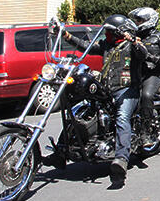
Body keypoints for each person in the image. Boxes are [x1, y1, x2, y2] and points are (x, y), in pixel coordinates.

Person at [60, 14, 144, 180]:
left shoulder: (132, 46)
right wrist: (66, 36)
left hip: (127, 90)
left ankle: (121, 158)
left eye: (110, 32)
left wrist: (134, 41)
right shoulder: (107, 45)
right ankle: (62, 150)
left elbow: (143, 54)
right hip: (107, 89)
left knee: (122, 117)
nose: (106, 35)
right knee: (80, 109)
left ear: (120, 32)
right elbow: (87, 46)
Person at [127, 7, 160, 125]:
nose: (136, 22)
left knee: (146, 96)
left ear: (149, 20)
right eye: (136, 20)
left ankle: (146, 128)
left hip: (153, 74)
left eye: (139, 20)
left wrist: (151, 58)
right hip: (135, 74)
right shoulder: (133, 38)